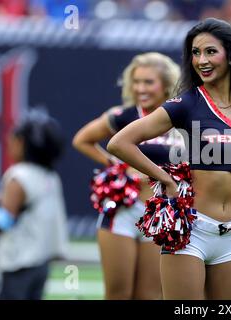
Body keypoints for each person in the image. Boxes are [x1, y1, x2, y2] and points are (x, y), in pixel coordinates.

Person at [107, 17, 231, 300]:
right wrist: (164, 177)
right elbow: (120, 142)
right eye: (195, 52)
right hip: (191, 230)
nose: (201, 60)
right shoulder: (187, 104)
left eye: (210, 51)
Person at [72, 52, 181, 300]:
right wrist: (114, 164)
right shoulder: (123, 116)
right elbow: (82, 140)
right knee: (118, 294)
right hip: (122, 211)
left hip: (159, 213)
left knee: (150, 294)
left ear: (165, 84)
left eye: (148, 82)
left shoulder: (179, 118)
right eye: (136, 81)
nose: (140, 88)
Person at [0, 108, 68, 300]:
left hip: (17, 261)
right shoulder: (50, 177)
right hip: (40, 261)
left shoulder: (18, 175)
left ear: (22, 143)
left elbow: (4, 221)